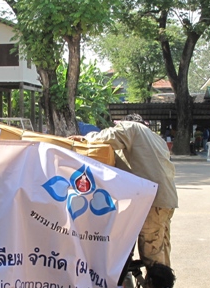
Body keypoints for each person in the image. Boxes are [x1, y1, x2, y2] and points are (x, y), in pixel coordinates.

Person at [70, 113, 178, 267]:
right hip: (166, 199)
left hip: (151, 200)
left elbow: (106, 137)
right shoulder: (156, 139)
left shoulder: (132, 127)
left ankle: (156, 282)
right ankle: (163, 281)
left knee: (151, 252)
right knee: (160, 246)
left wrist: (86, 137)